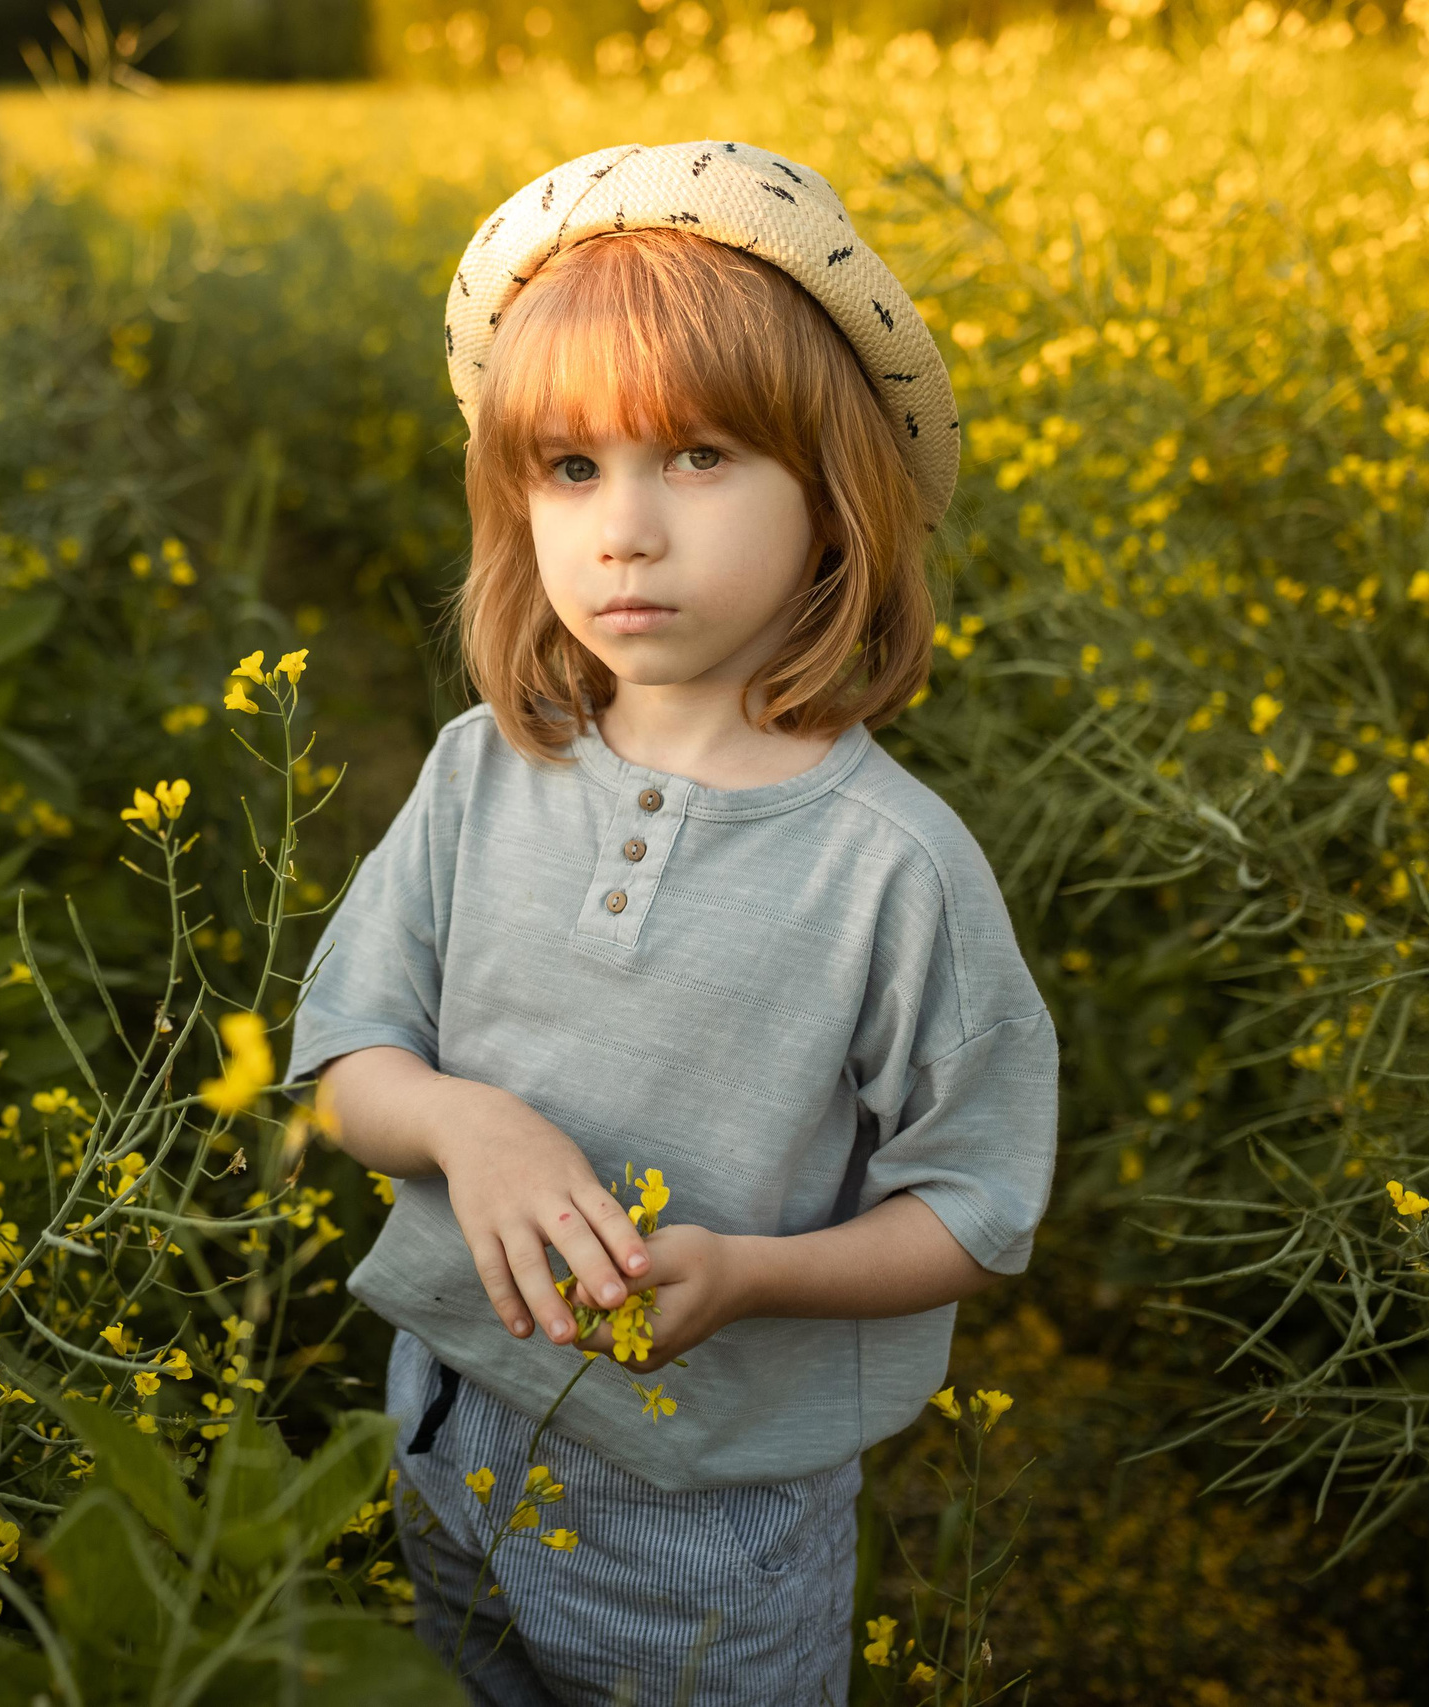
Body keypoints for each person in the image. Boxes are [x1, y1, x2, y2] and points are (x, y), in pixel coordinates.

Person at [284, 141, 1059, 1706]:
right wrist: (466, 1124)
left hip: (706, 1512)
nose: (624, 529)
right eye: (571, 469)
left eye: (698, 456)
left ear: (835, 501)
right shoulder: (479, 771)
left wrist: (753, 1278)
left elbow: (977, 1209)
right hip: (445, 1422)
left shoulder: (892, 866)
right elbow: (343, 1058)